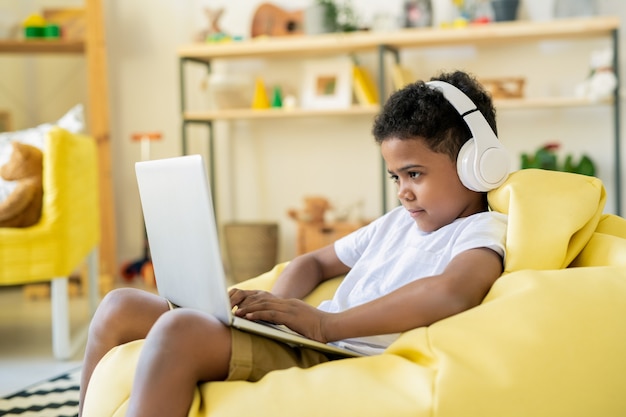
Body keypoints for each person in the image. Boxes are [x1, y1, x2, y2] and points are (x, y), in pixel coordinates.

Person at [79, 70, 508, 417]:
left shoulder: (481, 231)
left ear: (476, 166)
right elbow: (315, 264)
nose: (403, 192)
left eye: (415, 174)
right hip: (304, 338)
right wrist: (272, 309)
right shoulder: (396, 223)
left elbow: (452, 291)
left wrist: (326, 325)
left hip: (337, 356)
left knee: (179, 331)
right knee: (119, 306)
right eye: (395, 177)